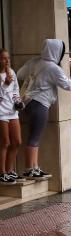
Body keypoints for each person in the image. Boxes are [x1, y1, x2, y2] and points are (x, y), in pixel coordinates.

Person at [17, 39, 71, 179]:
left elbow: (19, 74)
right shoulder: (53, 68)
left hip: (28, 103)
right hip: (41, 103)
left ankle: (35, 167)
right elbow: (69, 85)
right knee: (34, 138)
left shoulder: (34, 62)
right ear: (56, 52)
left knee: (34, 137)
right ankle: (30, 168)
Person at [0, 49, 22, 183]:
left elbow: (15, 91)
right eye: (3, 58)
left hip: (12, 111)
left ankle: (9, 170)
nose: (7, 61)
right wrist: (4, 85)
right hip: (1, 112)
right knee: (5, 142)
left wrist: (18, 101)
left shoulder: (11, 72)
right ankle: (2, 173)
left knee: (17, 141)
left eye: (8, 58)